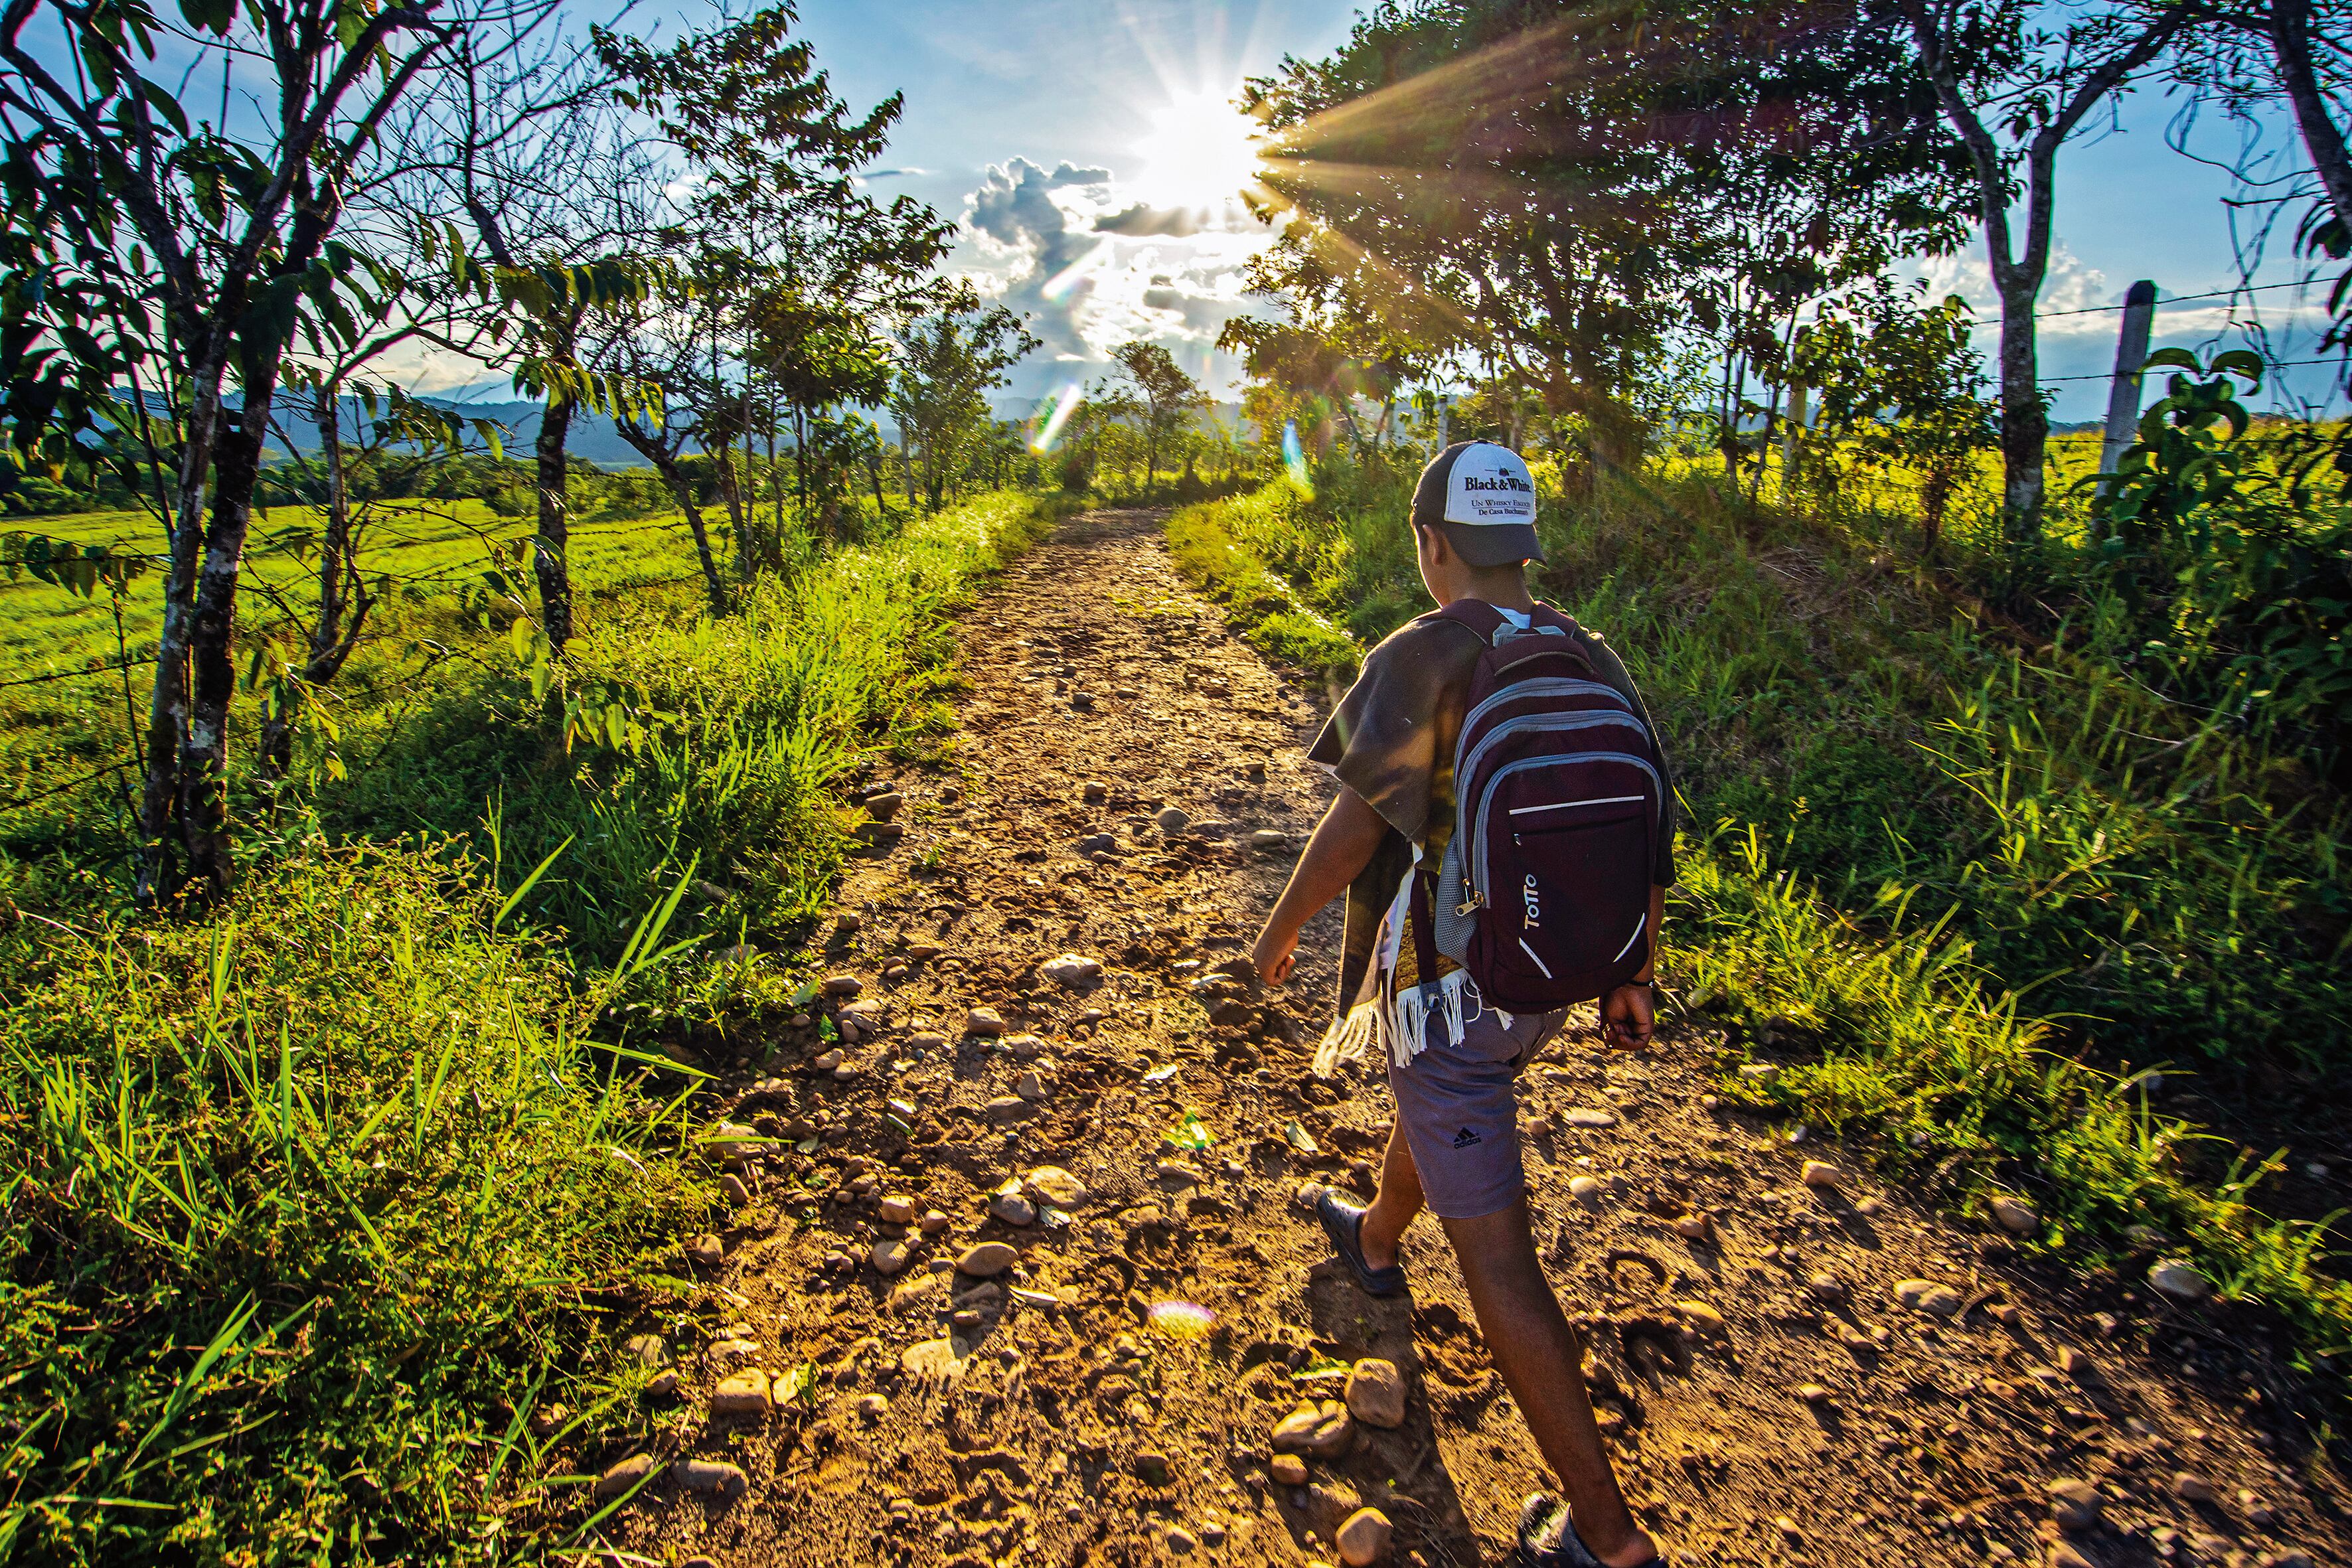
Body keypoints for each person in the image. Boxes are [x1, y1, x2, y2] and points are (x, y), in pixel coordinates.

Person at [1249, 441, 1676, 1568]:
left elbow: (1355, 827)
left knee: (1500, 1257)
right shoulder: (1589, 651)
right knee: (1440, 1099)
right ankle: (1376, 1237)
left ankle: (1608, 1537)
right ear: (1524, 544)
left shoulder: (1424, 651)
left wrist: (1280, 930)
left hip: (1453, 988)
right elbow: (1649, 827)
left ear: (1431, 544)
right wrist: (1634, 971)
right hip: (1552, 978)